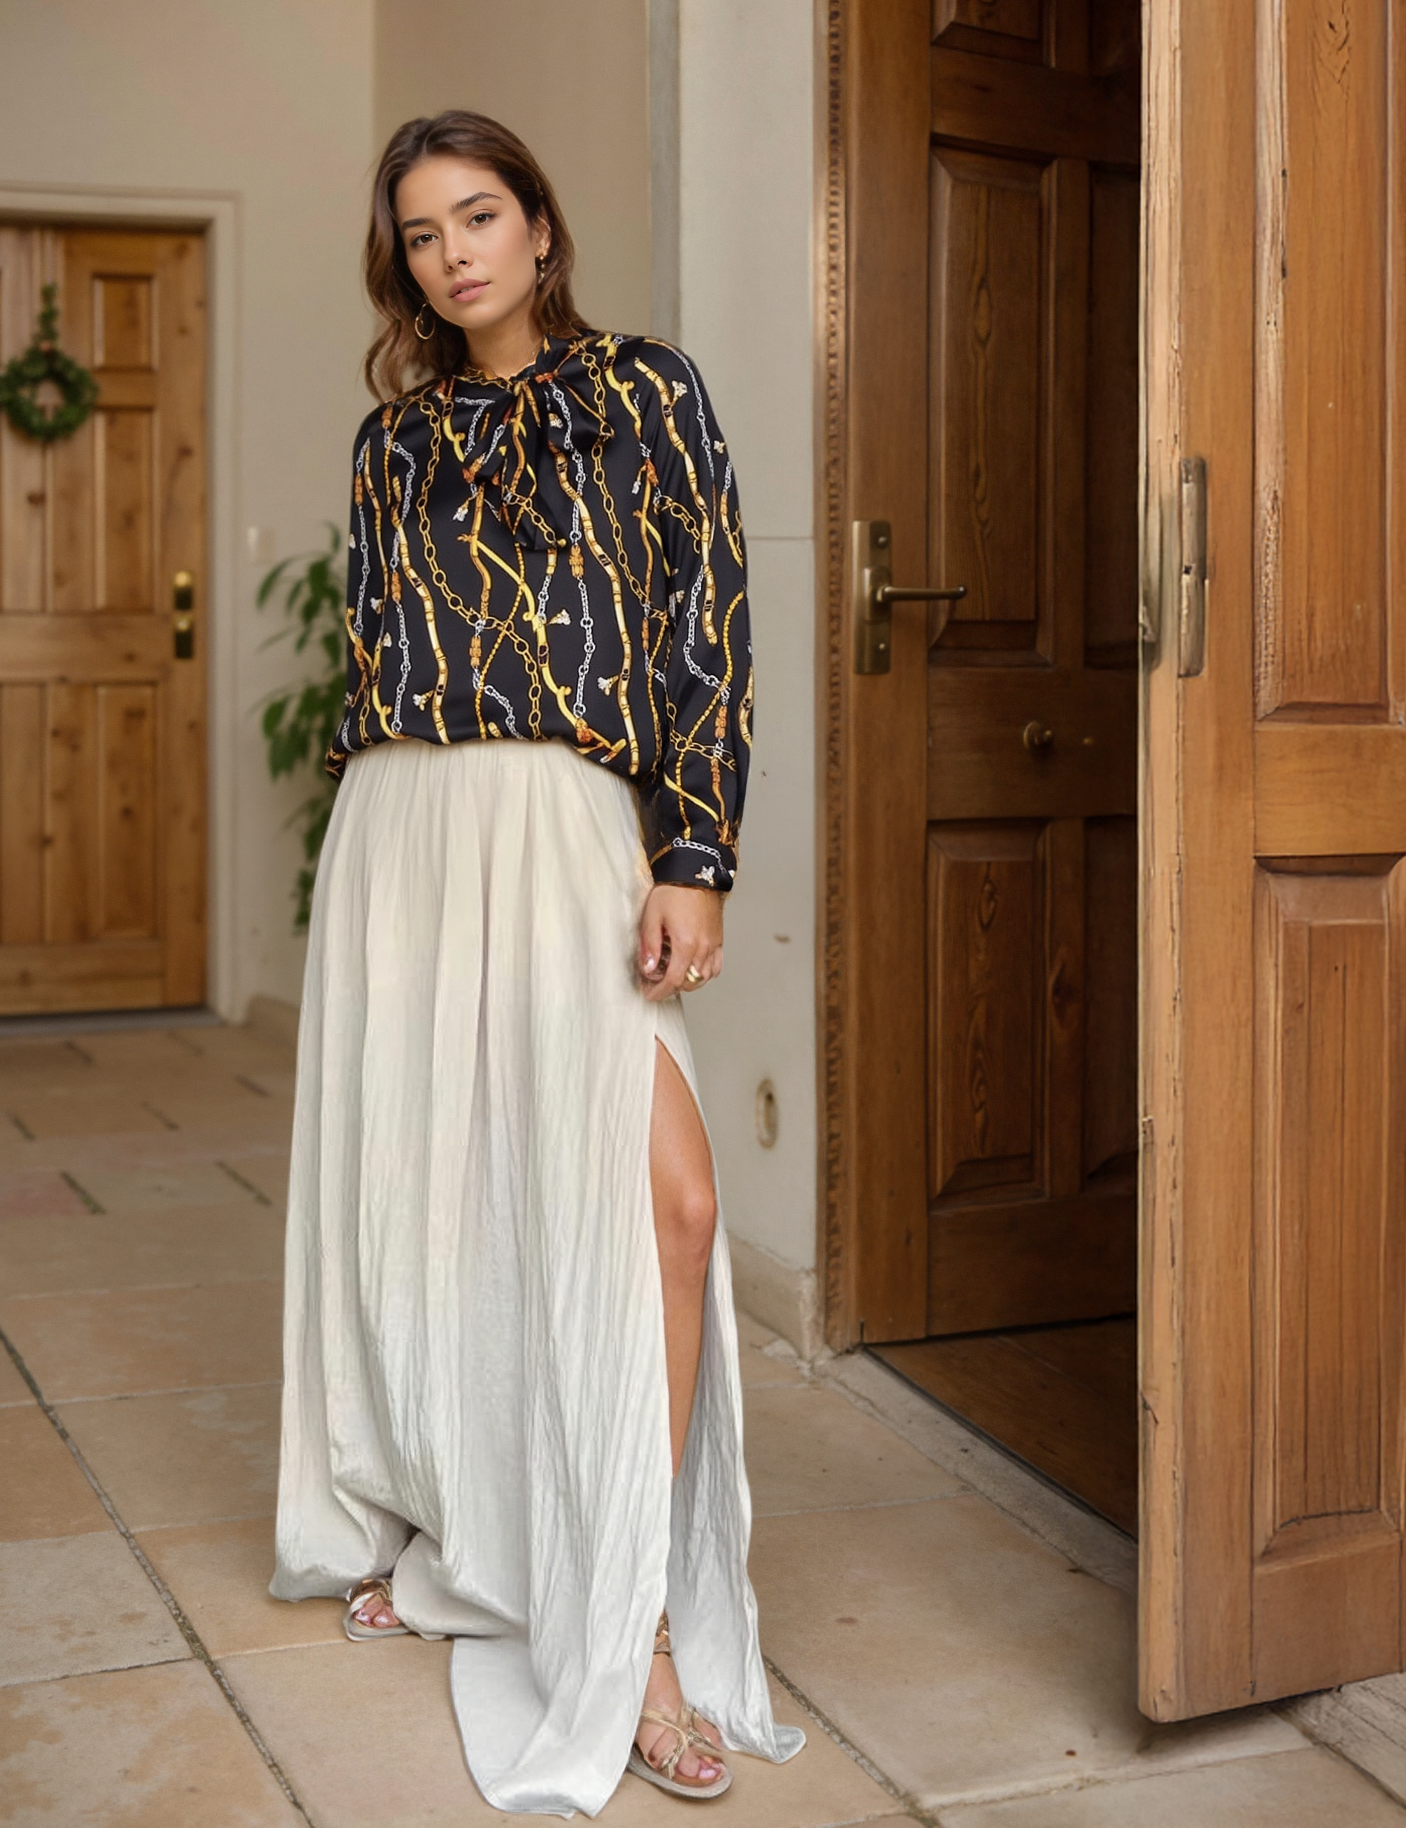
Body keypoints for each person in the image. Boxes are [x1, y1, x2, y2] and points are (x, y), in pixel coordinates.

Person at [271, 109, 804, 1815]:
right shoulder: (390, 441)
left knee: (668, 1206)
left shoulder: (651, 393)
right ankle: (456, 1526)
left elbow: (705, 632)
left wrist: (694, 858)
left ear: (543, 226)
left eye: (479, 215)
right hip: (407, 843)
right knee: (446, 1201)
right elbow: (378, 673)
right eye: (423, 235)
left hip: (571, 835)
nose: (455, 255)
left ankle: (635, 1623)